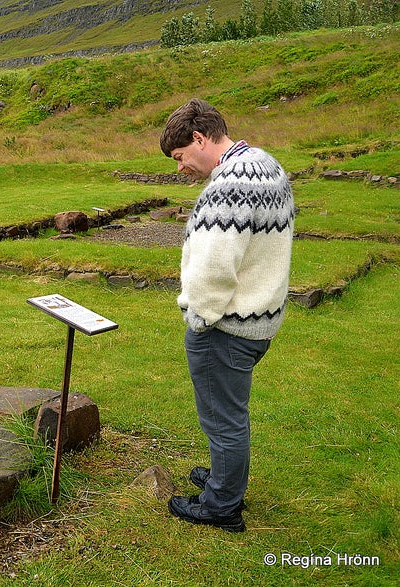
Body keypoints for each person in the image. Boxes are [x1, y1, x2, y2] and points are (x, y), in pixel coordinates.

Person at [159, 98, 295, 532]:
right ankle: (224, 479)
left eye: (180, 157)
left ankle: (221, 506)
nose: (180, 168)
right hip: (260, 319)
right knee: (228, 413)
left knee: (223, 419)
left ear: (200, 138)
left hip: (227, 327)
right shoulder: (265, 164)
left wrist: (199, 318)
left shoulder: (226, 188)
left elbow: (213, 268)